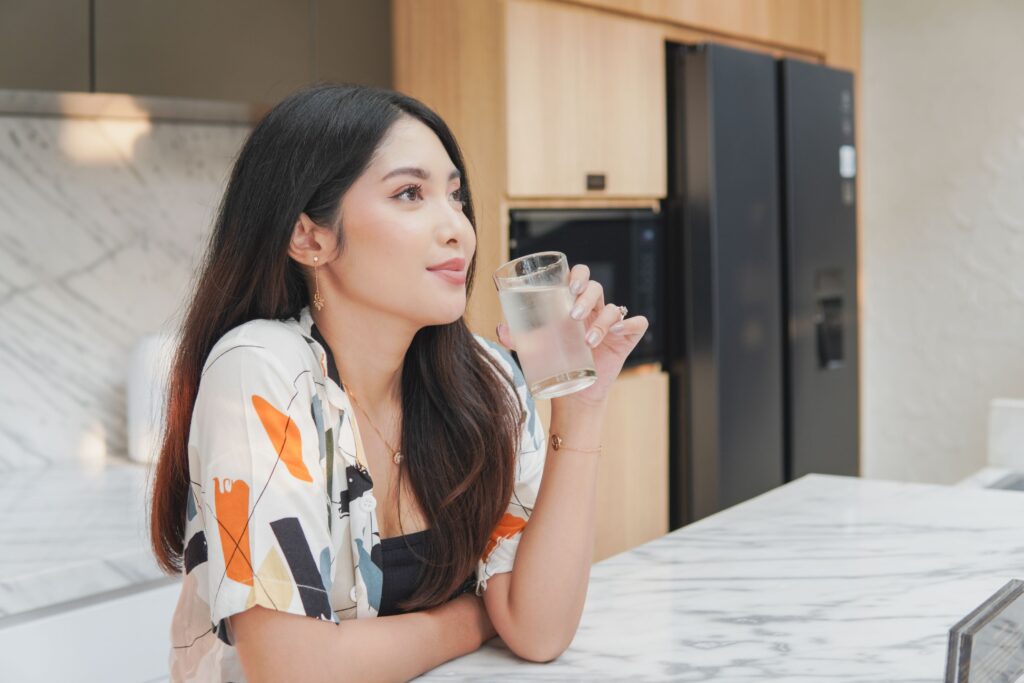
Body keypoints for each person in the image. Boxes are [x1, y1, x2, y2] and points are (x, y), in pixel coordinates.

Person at [149, 83, 648, 682]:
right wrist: (473, 616)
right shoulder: (261, 370)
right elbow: (296, 672)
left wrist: (580, 409)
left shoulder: (485, 377)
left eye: (456, 197)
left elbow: (539, 630)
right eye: (410, 194)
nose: (458, 229)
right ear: (310, 237)